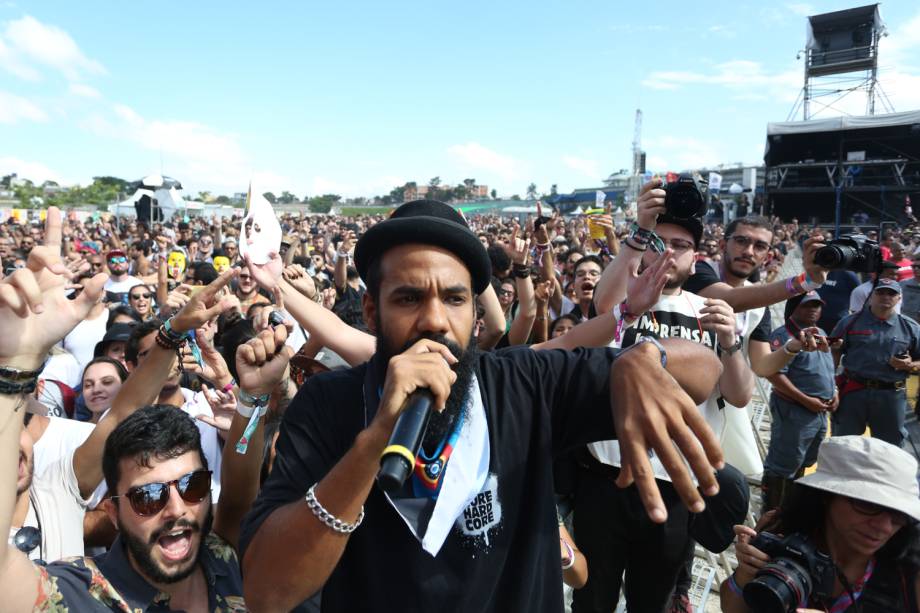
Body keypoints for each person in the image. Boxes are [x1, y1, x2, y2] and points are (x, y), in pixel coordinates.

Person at [239, 200, 726, 612]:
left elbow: (706, 370)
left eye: (454, 299)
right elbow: (267, 591)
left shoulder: (525, 384)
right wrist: (373, 441)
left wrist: (647, 357)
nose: (434, 320)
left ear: (476, 315)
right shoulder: (328, 404)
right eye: (408, 298)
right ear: (372, 311)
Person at [579, 213, 753, 613]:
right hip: (607, 480)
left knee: (654, 600)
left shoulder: (711, 311)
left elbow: (740, 395)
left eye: (680, 245)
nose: (668, 252)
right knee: (592, 599)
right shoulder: (621, 304)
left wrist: (730, 341)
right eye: (659, 242)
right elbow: (602, 304)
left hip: (675, 484)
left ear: (696, 259)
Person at [720, 436, 920, 612]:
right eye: (868, 504)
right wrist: (745, 575)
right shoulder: (783, 532)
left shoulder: (911, 567)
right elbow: (733, 608)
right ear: (826, 496)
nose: (885, 527)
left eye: (899, 514)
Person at [760, 292, 837, 512]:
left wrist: (835, 391)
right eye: (807, 305)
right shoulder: (783, 336)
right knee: (783, 465)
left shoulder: (819, 333)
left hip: (819, 411)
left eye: (817, 305)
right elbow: (774, 374)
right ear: (794, 308)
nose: (813, 309)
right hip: (794, 409)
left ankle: (789, 512)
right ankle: (772, 517)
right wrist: (805, 399)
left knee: (804, 461)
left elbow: (827, 367)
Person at [832, 278, 920, 447]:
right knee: (843, 443)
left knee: (890, 448)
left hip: (890, 395)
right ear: (871, 296)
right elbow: (834, 351)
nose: (885, 297)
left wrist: (910, 365)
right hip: (853, 392)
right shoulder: (850, 322)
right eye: (880, 292)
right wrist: (832, 385)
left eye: (891, 293)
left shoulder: (911, 328)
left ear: (899, 298)